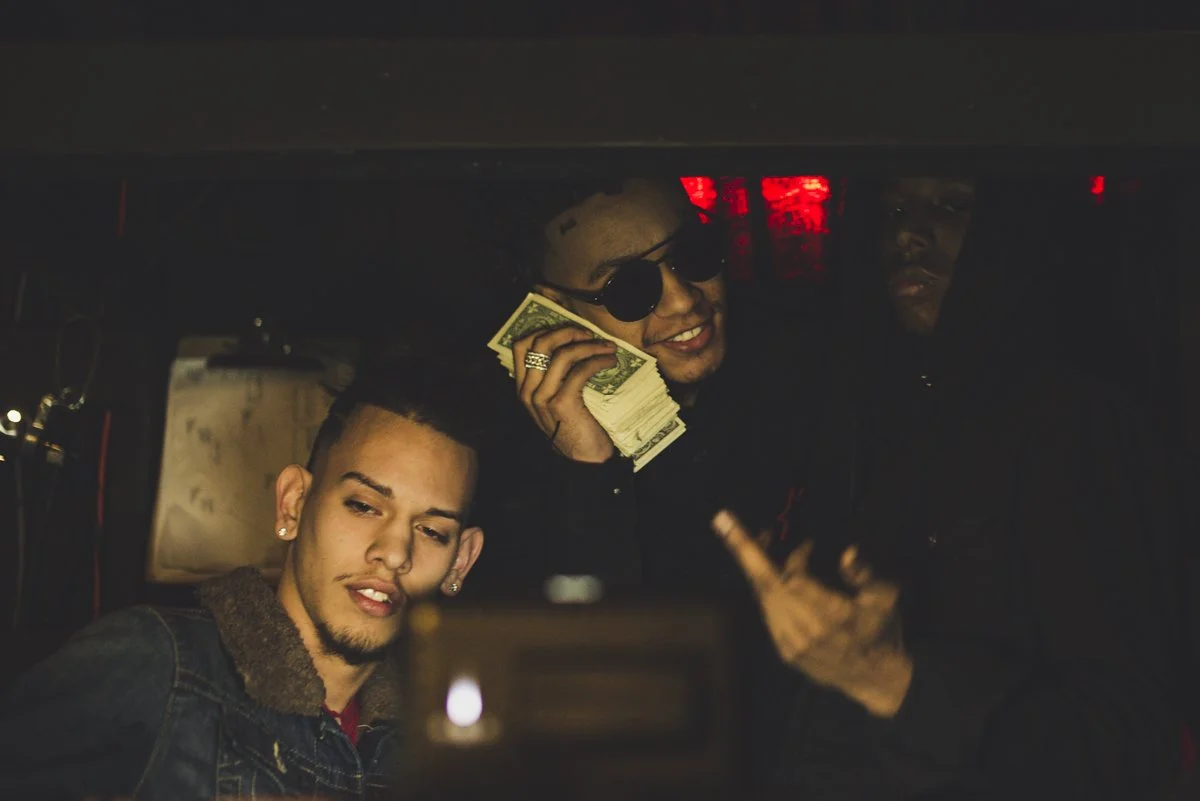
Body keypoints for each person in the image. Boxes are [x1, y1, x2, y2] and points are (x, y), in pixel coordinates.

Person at [713, 176, 1185, 799]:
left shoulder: (1072, 424)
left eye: (951, 205)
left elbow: (1129, 740)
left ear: (1009, 227)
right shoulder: (858, 411)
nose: (909, 235)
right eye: (893, 209)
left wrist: (893, 682)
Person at [0, 358, 487, 800]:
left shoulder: (441, 751)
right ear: (293, 505)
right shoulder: (157, 665)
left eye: (432, 531)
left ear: (460, 562)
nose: (395, 553)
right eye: (363, 505)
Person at [470, 177, 826, 596]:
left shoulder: (809, 372)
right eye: (629, 288)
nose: (683, 300)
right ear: (555, 308)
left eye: (693, 255)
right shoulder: (503, 467)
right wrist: (588, 475)